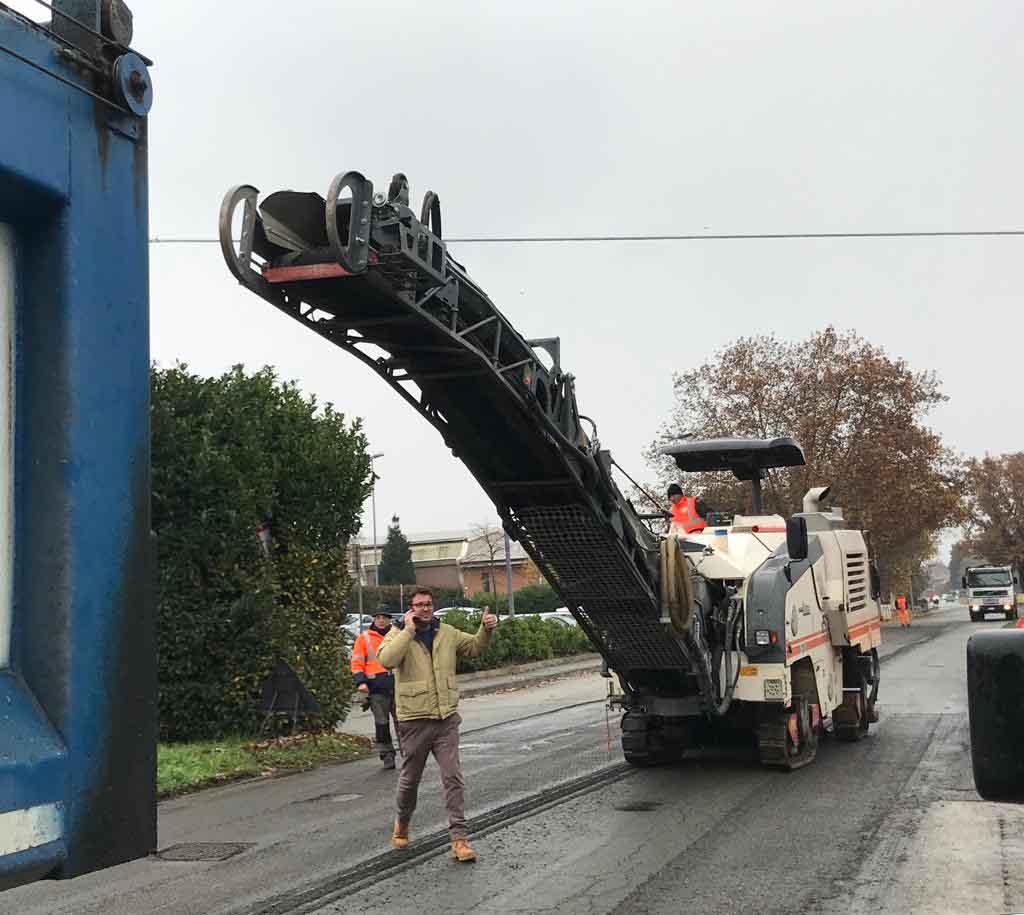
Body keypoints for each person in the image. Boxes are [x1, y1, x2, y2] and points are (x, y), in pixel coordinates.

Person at [377, 587, 497, 863]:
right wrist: (407, 632)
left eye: (428, 604)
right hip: (414, 721)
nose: (424, 608)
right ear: (410, 608)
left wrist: (485, 629)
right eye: (419, 604)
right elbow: (386, 660)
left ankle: (459, 839)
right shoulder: (398, 633)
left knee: (453, 778)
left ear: (433, 606)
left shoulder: (447, 632)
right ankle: (402, 822)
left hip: (446, 719)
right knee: (410, 781)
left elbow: (475, 647)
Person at [351, 608, 398, 769]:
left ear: (389, 619)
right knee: (382, 723)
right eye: (378, 617)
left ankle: (409, 752)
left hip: (399, 686)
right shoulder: (364, 639)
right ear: (373, 619)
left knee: (404, 723)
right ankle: (387, 754)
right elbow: (356, 663)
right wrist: (360, 682)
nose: (381, 620)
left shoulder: (398, 635)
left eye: (384, 617)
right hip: (377, 688)